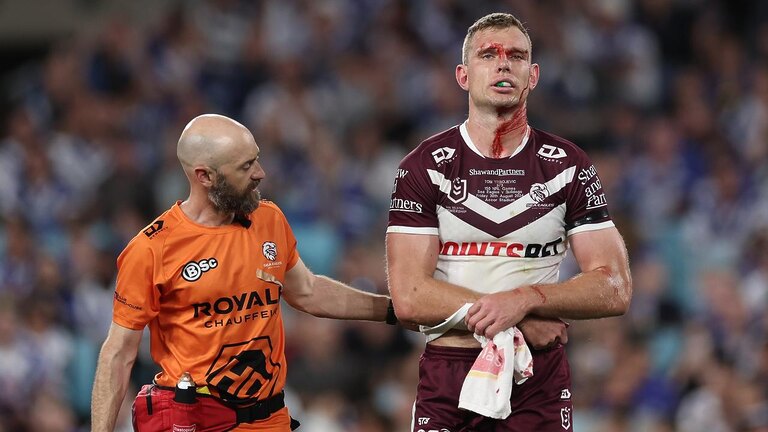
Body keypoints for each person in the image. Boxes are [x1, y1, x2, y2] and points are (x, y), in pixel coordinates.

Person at [386, 12, 632, 432]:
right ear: (463, 75)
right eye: (489, 55)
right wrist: (517, 312)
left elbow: (615, 287)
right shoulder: (425, 166)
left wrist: (525, 297)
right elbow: (409, 297)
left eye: (516, 56)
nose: (503, 64)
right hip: (452, 371)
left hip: (537, 377)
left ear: (532, 76)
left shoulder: (567, 166)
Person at [91, 114, 396, 432]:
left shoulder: (269, 219)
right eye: (245, 167)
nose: (260, 174)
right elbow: (119, 353)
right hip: (195, 420)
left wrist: (394, 310)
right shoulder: (152, 248)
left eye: (257, 160)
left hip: (270, 419)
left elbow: (308, 291)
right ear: (204, 176)